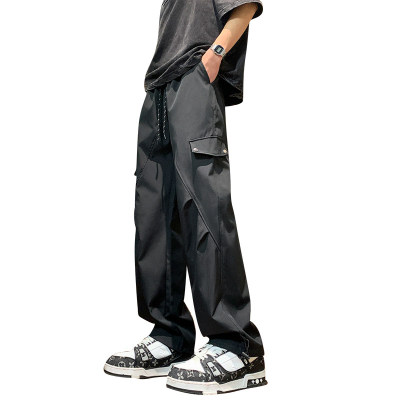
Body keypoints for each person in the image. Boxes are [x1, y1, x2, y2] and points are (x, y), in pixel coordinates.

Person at [104, 0, 266, 394]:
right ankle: (170, 334)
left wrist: (214, 55)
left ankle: (236, 345)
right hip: (159, 84)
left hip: (195, 73)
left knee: (204, 207)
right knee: (154, 213)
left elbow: (244, 8)